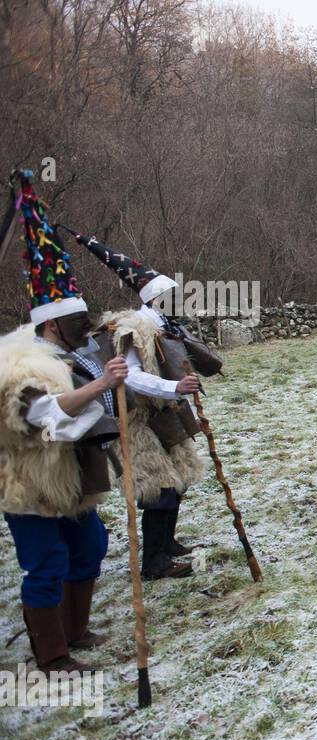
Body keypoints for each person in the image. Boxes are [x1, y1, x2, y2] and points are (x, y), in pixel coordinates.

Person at [0, 170, 126, 672]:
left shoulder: (74, 355)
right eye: (77, 321)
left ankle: (76, 630)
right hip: (32, 485)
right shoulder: (22, 365)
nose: (85, 327)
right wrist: (100, 387)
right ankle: (52, 654)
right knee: (46, 563)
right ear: (52, 322)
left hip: (73, 480)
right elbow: (43, 418)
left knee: (91, 545)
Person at [68, 229, 205, 579]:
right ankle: (154, 562)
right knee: (158, 485)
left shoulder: (166, 327)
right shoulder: (134, 331)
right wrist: (174, 386)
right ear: (157, 298)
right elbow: (129, 376)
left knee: (179, 479)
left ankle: (167, 543)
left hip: (163, 413)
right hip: (138, 419)